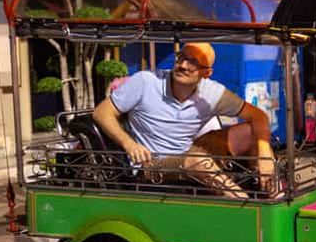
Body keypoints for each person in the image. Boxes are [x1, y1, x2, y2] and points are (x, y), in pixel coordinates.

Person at [93, 42, 276, 198]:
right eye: (181, 57)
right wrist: (129, 144)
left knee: (252, 132)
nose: (183, 65)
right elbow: (101, 112)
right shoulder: (146, 81)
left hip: (188, 150)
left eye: (193, 62)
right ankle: (246, 204)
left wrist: (265, 154)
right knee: (197, 160)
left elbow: (258, 116)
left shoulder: (212, 92)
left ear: (206, 73)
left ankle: (271, 193)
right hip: (153, 164)